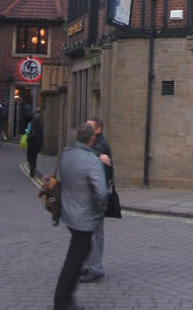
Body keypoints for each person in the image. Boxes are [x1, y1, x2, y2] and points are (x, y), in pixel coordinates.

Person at [53, 122, 108, 310]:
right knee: (75, 259)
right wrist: (100, 210)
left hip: (68, 214)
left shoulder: (66, 154)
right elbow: (101, 192)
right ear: (92, 139)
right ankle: (62, 302)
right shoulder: (92, 160)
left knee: (78, 254)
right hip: (84, 217)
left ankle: (65, 300)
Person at [79, 116, 113, 283]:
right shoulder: (95, 146)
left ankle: (95, 268)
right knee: (93, 233)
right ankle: (93, 266)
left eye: (90, 127)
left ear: (98, 130)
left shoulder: (99, 145)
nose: (86, 129)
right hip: (96, 194)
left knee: (91, 233)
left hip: (95, 196)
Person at [26, 111, 43, 177]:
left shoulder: (30, 124)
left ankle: (32, 167)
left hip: (31, 143)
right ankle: (34, 167)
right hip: (37, 144)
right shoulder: (40, 126)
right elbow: (41, 136)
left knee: (29, 157)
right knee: (34, 156)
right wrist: (41, 144)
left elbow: (27, 132)